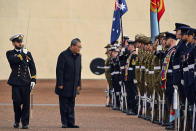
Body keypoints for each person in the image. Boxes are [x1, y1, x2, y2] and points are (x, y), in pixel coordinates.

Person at [6, 34, 36, 129]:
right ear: (13, 43)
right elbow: (14, 60)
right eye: (18, 42)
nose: (20, 43)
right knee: (16, 102)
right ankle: (17, 120)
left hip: (26, 82)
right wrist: (23, 53)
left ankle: (25, 123)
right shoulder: (10, 53)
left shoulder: (28, 53)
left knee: (26, 104)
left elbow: (32, 66)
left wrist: (33, 79)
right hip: (16, 82)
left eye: (21, 42)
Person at [55, 38, 82, 128]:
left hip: (73, 85)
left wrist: (79, 84)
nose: (80, 48)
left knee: (71, 105)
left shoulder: (79, 56)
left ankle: (71, 122)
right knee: (64, 105)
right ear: (72, 46)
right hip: (64, 85)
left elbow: (79, 72)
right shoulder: (63, 55)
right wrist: (60, 84)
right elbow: (59, 71)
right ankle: (64, 123)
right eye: (79, 47)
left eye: (80, 47)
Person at [124, 40, 137, 115]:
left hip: (131, 78)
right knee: (129, 93)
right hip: (128, 77)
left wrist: (134, 78)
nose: (127, 47)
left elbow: (134, 68)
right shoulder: (130, 54)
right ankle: (130, 108)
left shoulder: (134, 55)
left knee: (133, 94)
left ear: (132, 46)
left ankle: (134, 109)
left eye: (128, 45)